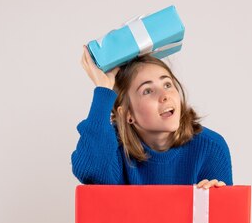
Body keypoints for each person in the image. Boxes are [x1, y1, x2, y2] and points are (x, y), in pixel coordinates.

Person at [71, 45, 232, 189]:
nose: (165, 96)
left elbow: (227, 220)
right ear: (128, 114)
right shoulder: (113, 147)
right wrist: (103, 90)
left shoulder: (211, 147)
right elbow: (90, 171)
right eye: (148, 91)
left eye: (167, 85)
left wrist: (218, 201)